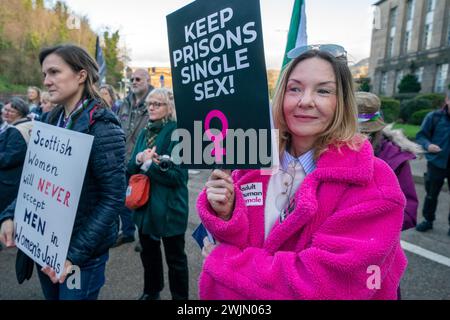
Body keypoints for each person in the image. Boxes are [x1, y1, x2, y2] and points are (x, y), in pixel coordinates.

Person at [196, 45, 407, 300]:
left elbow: (328, 286)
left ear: (341, 102)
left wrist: (225, 264)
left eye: (323, 90)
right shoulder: (253, 161)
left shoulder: (374, 181)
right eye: (294, 88)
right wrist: (227, 213)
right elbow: (242, 240)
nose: (305, 101)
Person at [0, 44, 126, 300]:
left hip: (80, 256)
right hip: (44, 247)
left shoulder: (102, 126)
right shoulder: (49, 120)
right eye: (45, 74)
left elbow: (112, 198)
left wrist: (74, 255)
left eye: (55, 72)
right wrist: (11, 214)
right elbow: (33, 178)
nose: (46, 81)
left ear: (81, 75)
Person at [128, 88, 189, 300]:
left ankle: (180, 299)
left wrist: (149, 166)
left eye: (157, 104)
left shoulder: (178, 132)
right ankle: (151, 291)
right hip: (145, 207)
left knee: (175, 258)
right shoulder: (146, 132)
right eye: (149, 104)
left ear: (169, 107)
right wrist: (138, 161)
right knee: (149, 254)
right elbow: (129, 168)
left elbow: (179, 176)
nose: (151, 107)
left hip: (170, 208)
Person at [356, 91, 422, 231]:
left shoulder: (395, 159)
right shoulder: (327, 150)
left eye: (366, 133)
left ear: (377, 131)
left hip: (374, 240)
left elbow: (408, 213)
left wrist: (367, 227)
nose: (359, 138)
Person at [115, 69, 154, 248]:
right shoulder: (125, 102)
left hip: (145, 158)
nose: (134, 81)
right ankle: (128, 232)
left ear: (148, 80)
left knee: (145, 199)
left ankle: (145, 236)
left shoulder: (155, 101)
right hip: (124, 158)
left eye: (138, 78)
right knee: (125, 197)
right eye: (132, 79)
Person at [415, 89, 450, 235]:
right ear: (447, 100)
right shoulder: (433, 117)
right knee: (431, 194)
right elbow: (421, 136)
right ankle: (428, 220)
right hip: (436, 163)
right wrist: (428, 145)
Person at [0, 98, 33, 213]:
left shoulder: (18, 130)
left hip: (9, 183)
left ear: (21, 113)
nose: (6, 113)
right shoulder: (24, 124)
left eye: (11, 111)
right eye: (5, 109)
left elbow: (10, 158)